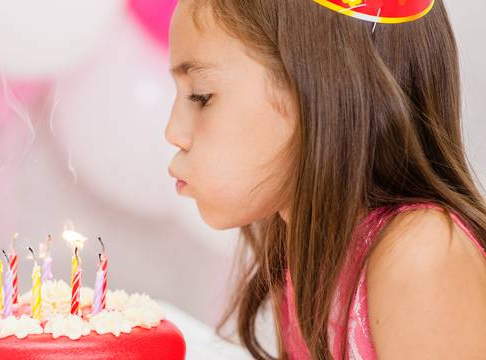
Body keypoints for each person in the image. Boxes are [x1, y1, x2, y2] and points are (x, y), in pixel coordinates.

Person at [165, 0, 486, 358]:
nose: (173, 132)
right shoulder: (308, 247)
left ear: (318, 86)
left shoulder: (421, 253)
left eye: (201, 95)